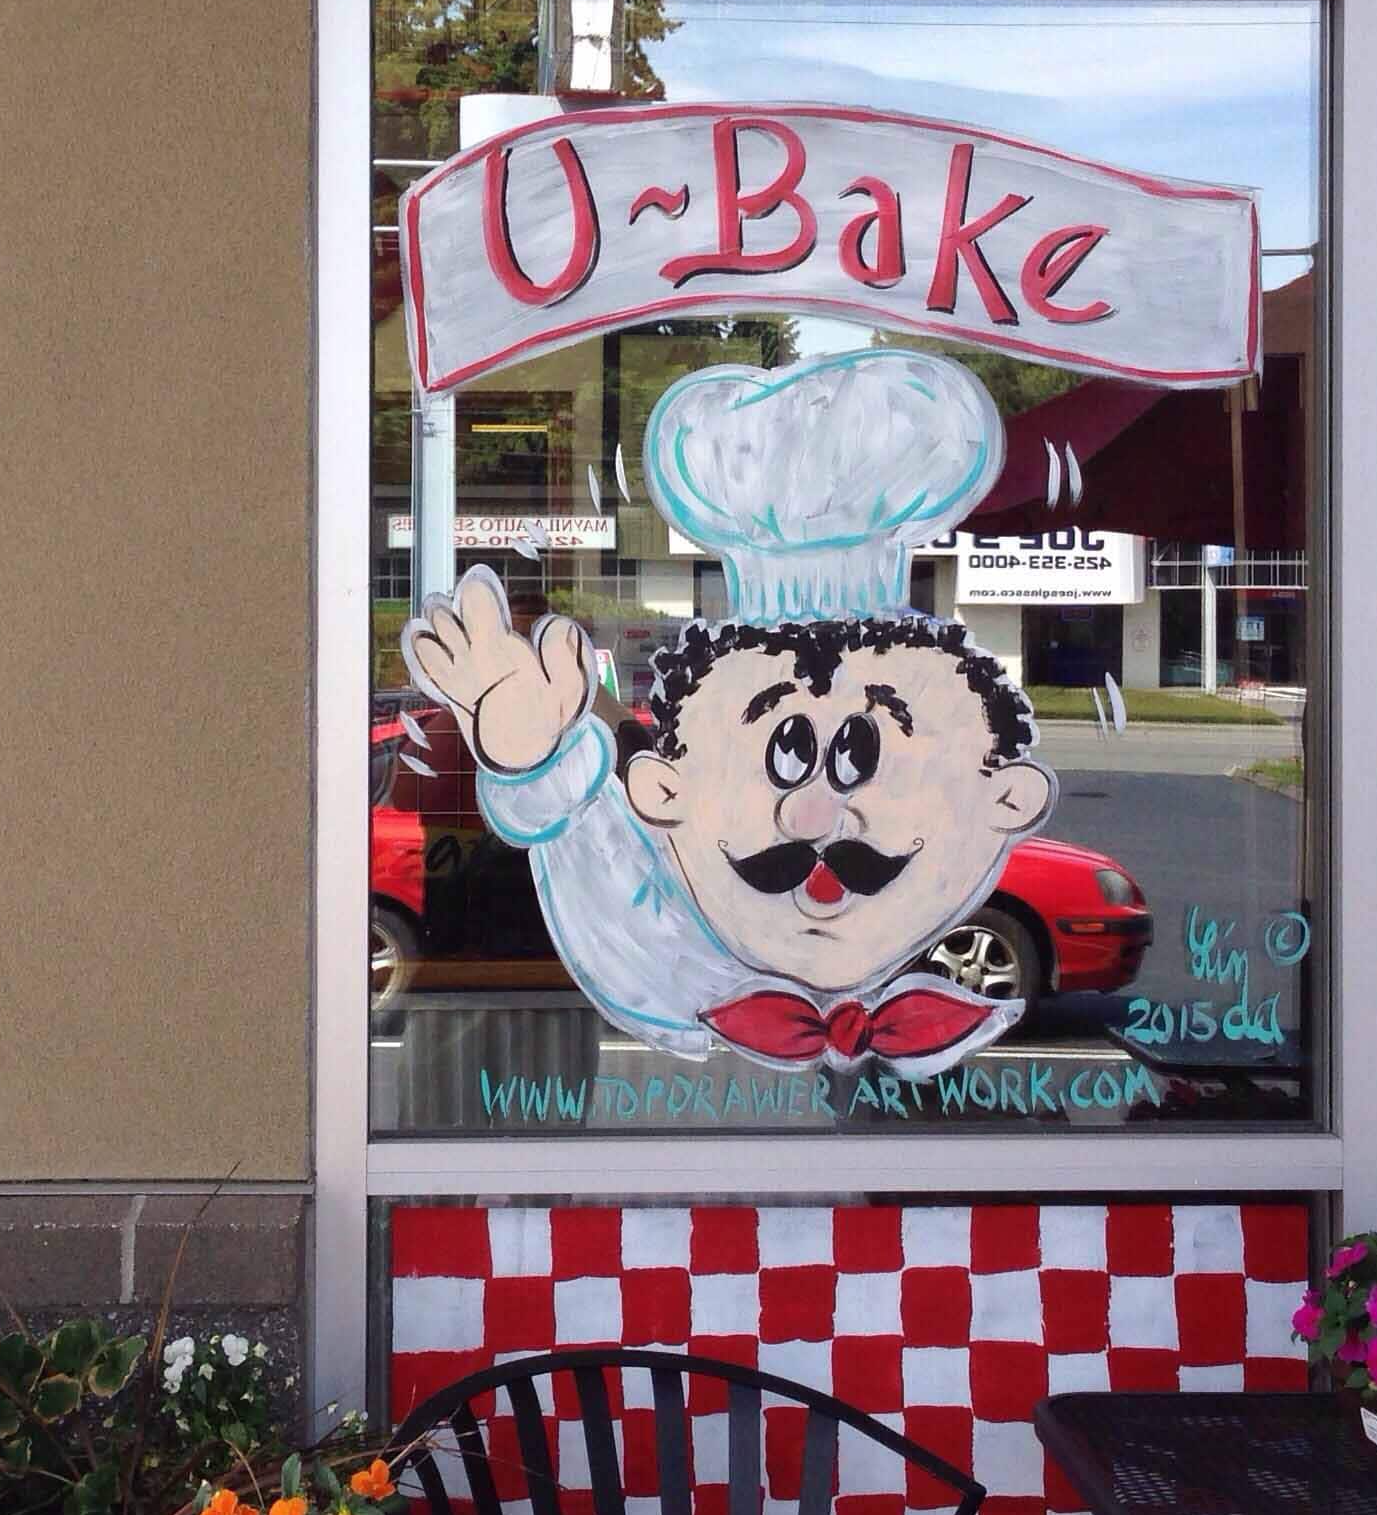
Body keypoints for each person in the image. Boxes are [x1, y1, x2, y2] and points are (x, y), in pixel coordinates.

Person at [400, 350, 1055, 1080]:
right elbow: (618, 902)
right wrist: (538, 766)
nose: (813, 817)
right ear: (662, 791)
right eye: (785, 751)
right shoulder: (684, 956)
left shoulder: (694, 962)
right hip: (484, 963)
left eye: (863, 754)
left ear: (1007, 798)